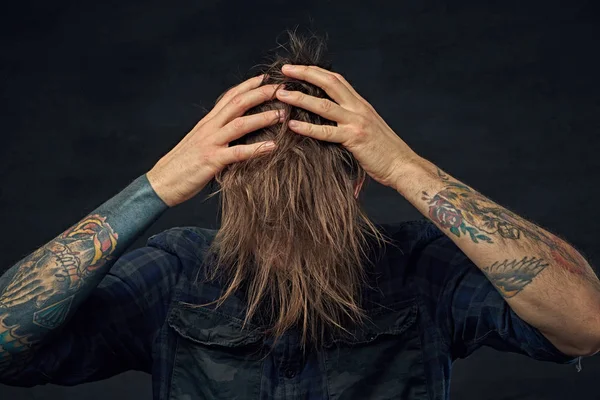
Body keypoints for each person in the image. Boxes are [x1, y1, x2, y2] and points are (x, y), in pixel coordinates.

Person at [0, 30, 598, 400]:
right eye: (264, 195)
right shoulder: (176, 274)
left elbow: (586, 324)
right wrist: (154, 187)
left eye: (308, 200)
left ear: (359, 182)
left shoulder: (424, 269)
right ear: (224, 181)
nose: (284, 228)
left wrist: (409, 168)